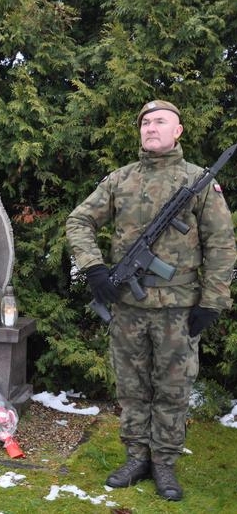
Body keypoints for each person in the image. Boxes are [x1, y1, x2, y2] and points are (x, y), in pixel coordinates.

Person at [66, 100, 236, 501]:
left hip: (179, 312)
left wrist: (212, 301)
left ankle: (164, 464)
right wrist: (94, 269)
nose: (151, 127)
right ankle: (136, 457)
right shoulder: (120, 180)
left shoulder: (198, 182)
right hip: (127, 309)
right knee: (131, 388)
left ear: (178, 131)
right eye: (145, 122)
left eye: (161, 121)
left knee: (173, 390)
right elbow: (79, 221)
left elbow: (222, 244)